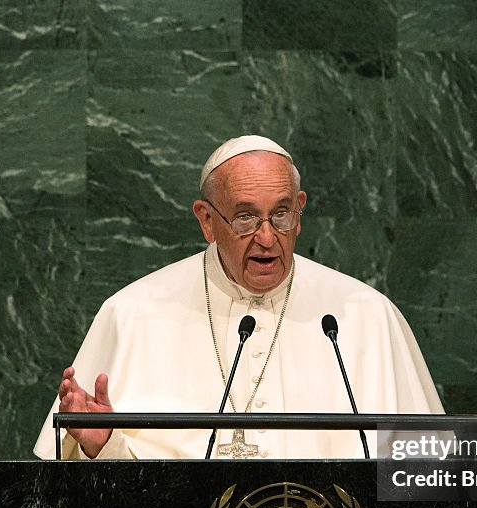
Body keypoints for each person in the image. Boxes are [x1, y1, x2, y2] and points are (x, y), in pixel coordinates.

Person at [33, 135, 443, 460]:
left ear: (300, 210)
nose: (267, 237)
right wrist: (101, 446)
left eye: (281, 214)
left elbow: (428, 474)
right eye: (245, 217)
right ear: (207, 221)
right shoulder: (132, 314)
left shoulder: (369, 316)